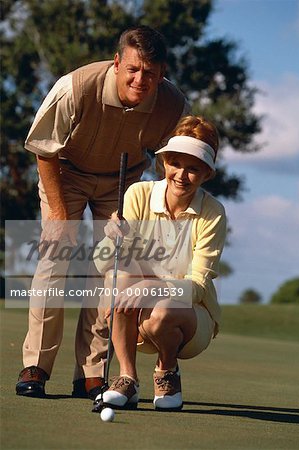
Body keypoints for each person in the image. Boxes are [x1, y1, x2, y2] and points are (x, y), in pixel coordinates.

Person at [16, 25, 190, 400]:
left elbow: (176, 160)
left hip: (123, 184)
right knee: (54, 261)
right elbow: (44, 148)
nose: (140, 80)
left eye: (150, 73)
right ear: (117, 63)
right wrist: (59, 217)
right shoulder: (75, 87)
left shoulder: (174, 105)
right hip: (66, 173)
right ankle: (36, 366)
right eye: (132, 69)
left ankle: (91, 373)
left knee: (110, 269)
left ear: (162, 75)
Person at [93, 115, 227, 411]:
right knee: (119, 276)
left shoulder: (213, 212)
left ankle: (167, 371)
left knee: (166, 308)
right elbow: (106, 263)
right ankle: (127, 379)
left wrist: (153, 288)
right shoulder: (138, 194)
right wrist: (113, 237)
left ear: (206, 173)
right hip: (133, 316)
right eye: (175, 164)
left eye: (193, 169)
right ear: (163, 163)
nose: (181, 175)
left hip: (190, 320)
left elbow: (198, 286)